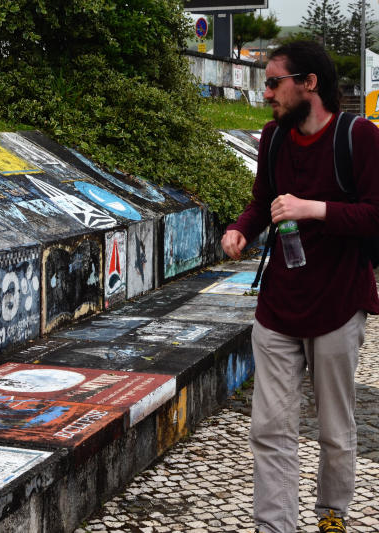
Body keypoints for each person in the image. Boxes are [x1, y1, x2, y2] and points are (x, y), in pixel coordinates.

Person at [221, 40, 379, 533]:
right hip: (277, 307)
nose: (265, 91)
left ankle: (332, 515)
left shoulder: (360, 137)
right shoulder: (273, 137)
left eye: (273, 82)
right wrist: (242, 229)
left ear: (308, 84)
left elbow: (377, 214)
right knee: (269, 428)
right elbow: (262, 200)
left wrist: (314, 208)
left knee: (334, 429)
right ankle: (275, 526)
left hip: (337, 304)